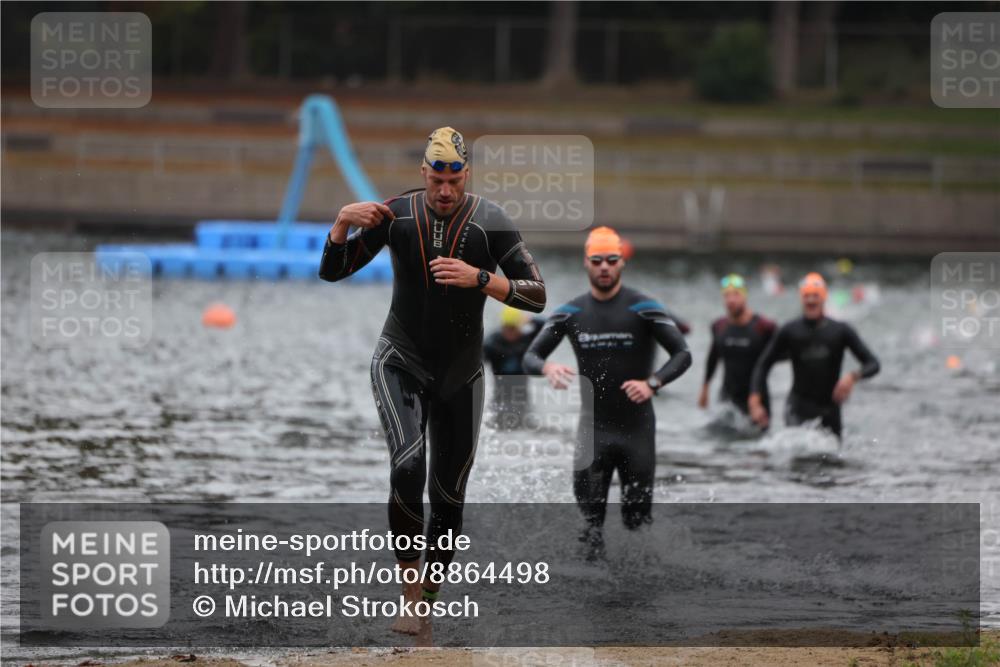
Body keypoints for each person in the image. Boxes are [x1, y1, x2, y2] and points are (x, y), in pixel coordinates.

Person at [319, 127, 545, 636]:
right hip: (400, 359)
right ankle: (408, 594)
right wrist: (341, 224)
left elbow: (537, 294)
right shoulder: (396, 215)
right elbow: (332, 272)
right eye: (437, 180)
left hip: (460, 374)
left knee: (449, 495)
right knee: (407, 466)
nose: (445, 191)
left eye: (455, 180)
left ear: (466, 175)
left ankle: (428, 597)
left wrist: (480, 279)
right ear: (424, 173)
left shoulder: (491, 223)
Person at [522, 226, 691, 558]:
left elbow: (683, 354)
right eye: (597, 260)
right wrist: (548, 368)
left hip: (637, 432)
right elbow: (530, 356)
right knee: (590, 527)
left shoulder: (645, 307)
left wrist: (652, 383)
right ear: (586, 262)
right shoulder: (570, 312)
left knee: (637, 524)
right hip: (593, 431)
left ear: (621, 263)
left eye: (611, 260)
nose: (604, 267)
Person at [749, 272, 880, 439]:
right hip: (797, 409)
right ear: (801, 298)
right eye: (806, 296)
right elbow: (763, 364)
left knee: (831, 454)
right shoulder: (789, 330)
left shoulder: (841, 331)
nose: (811, 300)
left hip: (830, 410)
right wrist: (755, 401)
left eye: (815, 296)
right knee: (798, 451)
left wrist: (852, 377)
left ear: (824, 298)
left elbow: (873, 364)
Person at [699, 274, 777, 421]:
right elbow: (713, 356)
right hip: (727, 400)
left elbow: (777, 356)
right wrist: (705, 387)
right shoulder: (719, 326)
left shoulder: (764, 327)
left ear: (745, 296)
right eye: (727, 295)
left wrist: (757, 399)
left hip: (757, 401)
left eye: (736, 294)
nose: (731, 300)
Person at [483, 306, 545, 428]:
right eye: (507, 327)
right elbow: (476, 361)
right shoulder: (492, 343)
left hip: (522, 402)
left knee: (527, 429)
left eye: (513, 328)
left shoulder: (528, 341)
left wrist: (531, 319)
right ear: (502, 326)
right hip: (500, 402)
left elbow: (549, 327)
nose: (510, 332)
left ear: (520, 327)